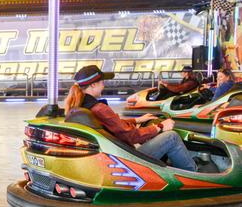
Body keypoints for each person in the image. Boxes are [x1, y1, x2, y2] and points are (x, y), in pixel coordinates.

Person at [66, 65, 196, 171]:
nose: (104, 85)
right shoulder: (99, 108)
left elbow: (111, 124)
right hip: (127, 159)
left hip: (112, 154)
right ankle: (195, 175)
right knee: (171, 137)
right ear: (93, 85)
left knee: (152, 133)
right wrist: (160, 126)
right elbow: (132, 136)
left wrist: (137, 120)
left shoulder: (80, 106)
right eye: (102, 82)